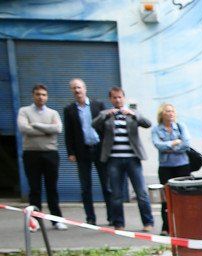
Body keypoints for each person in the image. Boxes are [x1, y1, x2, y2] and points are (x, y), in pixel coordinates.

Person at [93, 86, 154, 231]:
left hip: (132, 158)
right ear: (110, 99)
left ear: (124, 98)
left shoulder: (133, 113)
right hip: (113, 159)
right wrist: (106, 115)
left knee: (141, 192)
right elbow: (93, 124)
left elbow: (148, 124)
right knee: (116, 194)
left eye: (120, 97)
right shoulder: (105, 114)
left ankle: (148, 222)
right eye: (114, 97)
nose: (117, 100)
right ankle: (119, 224)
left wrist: (134, 115)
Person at [63, 78, 110, 226]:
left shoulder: (98, 105)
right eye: (74, 88)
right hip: (82, 151)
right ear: (71, 91)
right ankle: (90, 218)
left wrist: (108, 147)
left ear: (85, 89)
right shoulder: (69, 109)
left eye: (79, 87)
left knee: (106, 185)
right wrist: (70, 152)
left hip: (99, 149)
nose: (77, 90)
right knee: (85, 187)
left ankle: (112, 216)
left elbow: (107, 128)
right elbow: (68, 133)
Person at [18, 84, 64, 228]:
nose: (41, 97)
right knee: (35, 189)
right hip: (31, 154)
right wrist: (48, 130)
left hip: (50, 153)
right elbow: (24, 128)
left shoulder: (53, 113)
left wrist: (36, 124)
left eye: (43, 95)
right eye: (38, 94)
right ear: (33, 95)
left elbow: (58, 129)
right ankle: (35, 221)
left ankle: (57, 220)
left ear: (47, 97)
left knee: (52, 188)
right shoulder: (24, 111)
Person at [150, 103, 191, 235]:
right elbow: (158, 145)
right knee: (166, 198)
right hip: (165, 167)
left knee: (183, 197)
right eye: (167, 111)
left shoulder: (180, 126)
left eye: (172, 111)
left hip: (182, 165)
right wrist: (174, 143)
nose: (171, 113)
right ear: (162, 114)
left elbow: (186, 144)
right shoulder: (156, 129)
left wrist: (169, 148)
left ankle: (184, 226)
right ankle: (166, 226)